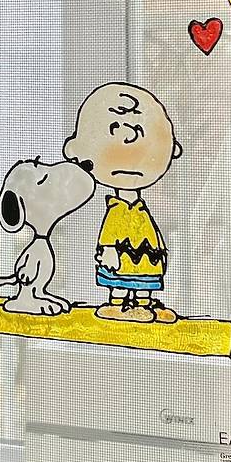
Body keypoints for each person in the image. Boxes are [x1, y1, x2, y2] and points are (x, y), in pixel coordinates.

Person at [63, 83, 182, 323]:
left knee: (144, 278)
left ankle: (143, 304)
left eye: (138, 131)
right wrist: (108, 250)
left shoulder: (140, 210)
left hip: (147, 254)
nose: (128, 142)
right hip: (122, 255)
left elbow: (150, 230)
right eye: (114, 130)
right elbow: (110, 233)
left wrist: (159, 248)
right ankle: (117, 303)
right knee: (119, 279)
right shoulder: (116, 211)